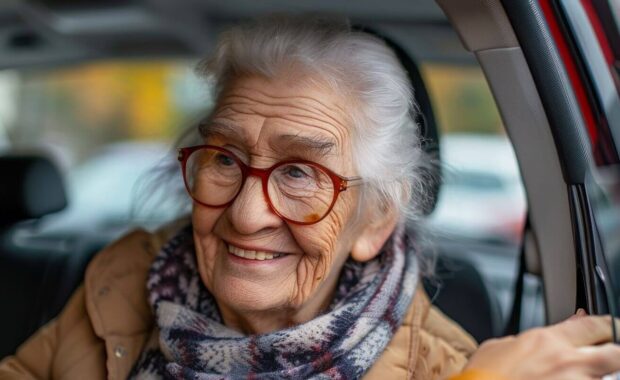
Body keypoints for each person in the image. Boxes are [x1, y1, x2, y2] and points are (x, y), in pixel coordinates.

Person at [1, 15, 620, 380]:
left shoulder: (446, 368)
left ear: (376, 217)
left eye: (300, 174)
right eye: (224, 158)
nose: (245, 214)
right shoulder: (122, 277)